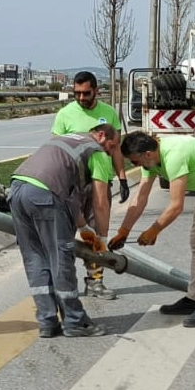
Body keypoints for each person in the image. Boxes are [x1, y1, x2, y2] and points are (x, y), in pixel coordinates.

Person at [111, 132, 195, 328]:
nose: (137, 166)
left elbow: (176, 206)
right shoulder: (151, 160)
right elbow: (141, 197)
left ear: (147, 154)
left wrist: (153, 230)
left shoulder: (174, 156)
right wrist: (124, 231)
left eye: (136, 161)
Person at [8, 123, 121, 338]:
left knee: (35, 258)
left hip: (17, 190)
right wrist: (102, 239)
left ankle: (48, 322)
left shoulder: (69, 140)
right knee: (61, 258)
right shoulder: (97, 152)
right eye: (112, 146)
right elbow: (100, 202)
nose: (111, 151)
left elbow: (70, 197)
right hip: (45, 195)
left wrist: (84, 228)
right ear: (100, 135)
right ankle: (74, 321)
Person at [52, 70, 129, 300]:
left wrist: (122, 177)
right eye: (77, 93)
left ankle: (95, 281)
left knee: (97, 231)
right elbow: (56, 149)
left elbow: (115, 148)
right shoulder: (65, 115)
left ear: (97, 90)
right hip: (71, 183)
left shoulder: (108, 113)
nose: (81, 98)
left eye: (86, 93)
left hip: (99, 181)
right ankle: (65, 285)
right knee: (66, 233)